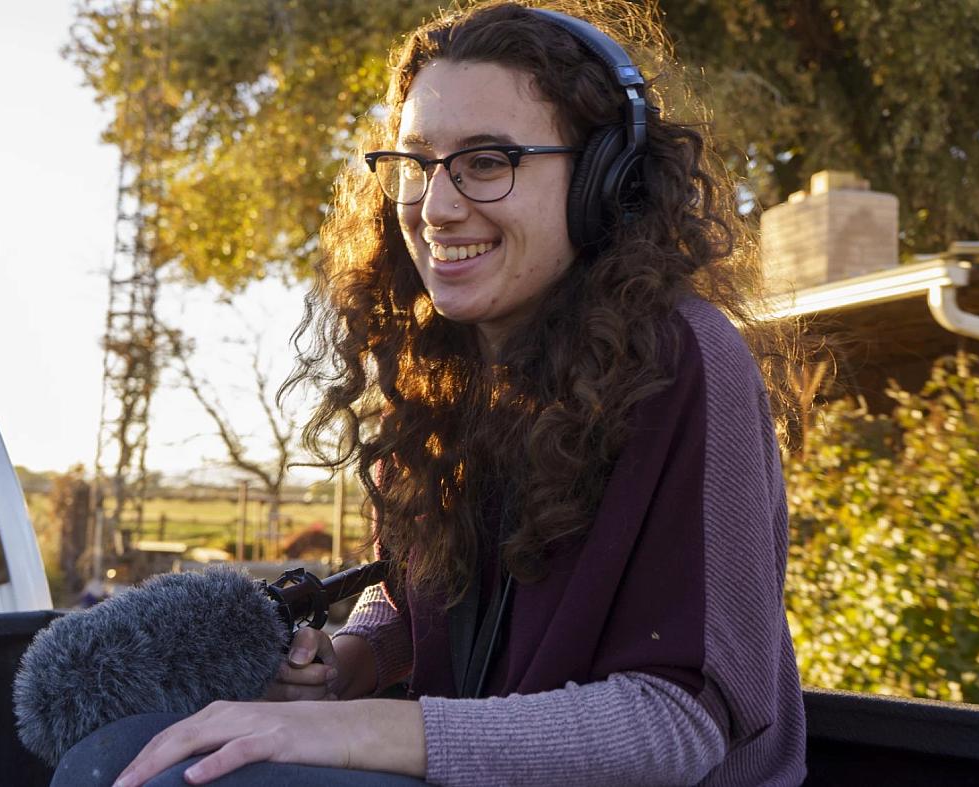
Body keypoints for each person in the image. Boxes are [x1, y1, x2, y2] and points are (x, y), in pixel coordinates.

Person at [59, 2, 806, 784]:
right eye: (417, 164)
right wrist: (347, 664)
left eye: (488, 161)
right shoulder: (436, 368)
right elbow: (414, 598)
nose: (437, 207)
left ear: (602, 182)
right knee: (123, 749)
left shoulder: (684, 356)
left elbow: (682, 725)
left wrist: (373, 727)